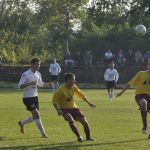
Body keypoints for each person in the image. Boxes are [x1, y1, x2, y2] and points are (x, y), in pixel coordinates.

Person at [52, 73, 96, 142]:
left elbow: (81, 94)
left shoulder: (73, 87)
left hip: (73, 108)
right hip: (64, 109)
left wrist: (89, 102)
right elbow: (54, 101)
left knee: (85, 122)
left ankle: (88, 138)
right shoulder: (60, 90)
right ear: (68, 80)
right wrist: (58, 110)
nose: (75, 81)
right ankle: (79, 137)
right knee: (70, 119)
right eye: (73, 79)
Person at [18, 58, 51, 138]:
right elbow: (20, 86)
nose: (38, 66)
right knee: (37, 114)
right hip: (27, 98)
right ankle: (43, 134)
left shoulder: (38, 74)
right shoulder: (26, 74)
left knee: (35, 116)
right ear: (32, 64)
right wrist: (29, 83)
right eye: (37, 64)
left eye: (39, 64)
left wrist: (47, 84)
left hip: (35, 97)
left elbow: (40, 84)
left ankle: (22, 123)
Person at [116, 59, 150, 134]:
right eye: (148, 64)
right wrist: (121, 92)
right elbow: (130, 83)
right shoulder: (141, 73)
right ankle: (145, 126)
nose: (149, 65)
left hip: (148, 96)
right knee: (144, 103)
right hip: (139, 95)